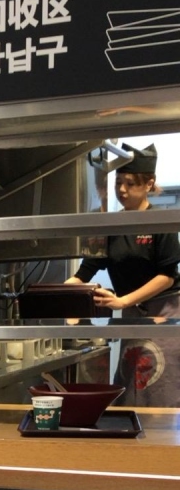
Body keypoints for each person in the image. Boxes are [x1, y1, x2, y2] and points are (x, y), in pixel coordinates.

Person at [66, 142, 180, 406]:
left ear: (149, 184)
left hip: (165, 312)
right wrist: (63, 295)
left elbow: (167, 276)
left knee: (161, 385)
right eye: (118, 183)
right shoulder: (111, 226)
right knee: (131, 383)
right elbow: (85, 271)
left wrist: (123, 301)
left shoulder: (160, 222)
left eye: (130, 183)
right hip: (131, 313)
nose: (122, 190)